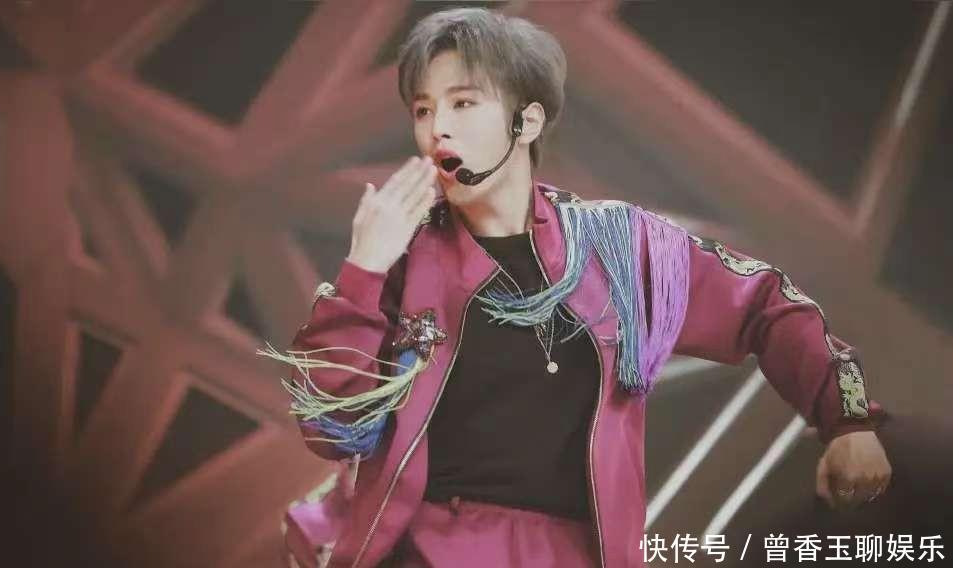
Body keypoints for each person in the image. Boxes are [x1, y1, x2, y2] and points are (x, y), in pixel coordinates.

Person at [261, 8, 891, 567]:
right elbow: (331, 429)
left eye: (463, 103)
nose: (436, 130)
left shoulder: (618, 248)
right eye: (423, 110)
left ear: (527, 120)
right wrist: (363, 270)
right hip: (428, 550)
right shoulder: (402, 259)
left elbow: (765, 305)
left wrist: (847, 422)